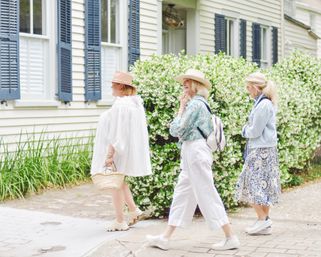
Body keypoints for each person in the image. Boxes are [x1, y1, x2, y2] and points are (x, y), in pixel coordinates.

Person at [146, 69, 240, 251]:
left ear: (196, 86)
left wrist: (181, 108)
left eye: (188, 82)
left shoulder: (196, 105)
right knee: (182, 193)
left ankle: (231, 237)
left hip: (195, 151)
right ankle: (165, 238)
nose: (184, 85)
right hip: (192, 151)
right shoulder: (199, 104)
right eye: (184, 82)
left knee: (207, 192)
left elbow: (176, 130)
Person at [91, 71, 152, 231]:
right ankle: (133, 210)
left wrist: (110, 155)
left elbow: (117, 133)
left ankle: (119, 220)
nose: (111, 86)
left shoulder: (121, 105)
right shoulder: (133, 103)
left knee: (115, 184)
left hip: (117, 150)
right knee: (120, 181)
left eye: (114, 83)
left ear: (121, 86)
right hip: (123, 149)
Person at [235, 71, 281, 235]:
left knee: (250, 184)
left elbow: (254, 131)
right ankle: (264, 222)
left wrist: (243, 130)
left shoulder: (263, 105)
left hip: (260, 150)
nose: (247, 90)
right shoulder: (263, 103)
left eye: (248, 87)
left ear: (255, 87)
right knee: (263, 185)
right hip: (264, 150)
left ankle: (264, 220)